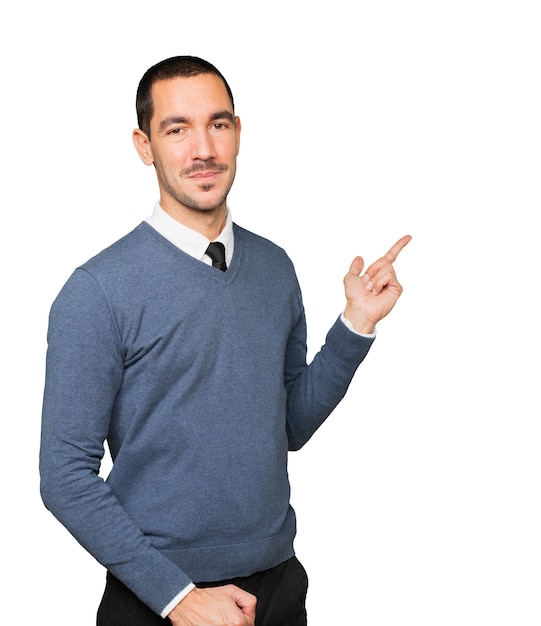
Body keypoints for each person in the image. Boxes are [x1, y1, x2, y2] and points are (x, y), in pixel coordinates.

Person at [39, 55, 411, 626]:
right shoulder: (96, 291)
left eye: (217, 124)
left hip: (279, 586)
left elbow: (286, 426)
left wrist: (355, 327)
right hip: (158, 599)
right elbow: (64, 477)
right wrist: (178, 598)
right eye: (176, 129)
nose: (202, 150)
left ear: (238, 133)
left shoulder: (274, 268)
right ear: (145, 146)